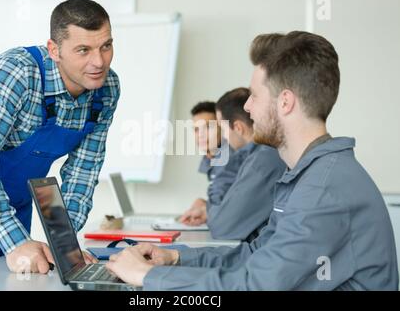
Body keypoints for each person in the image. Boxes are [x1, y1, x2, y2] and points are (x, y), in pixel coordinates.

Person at [105, 31, 399, 290]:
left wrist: (147, 277)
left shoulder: (323, 190)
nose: (246, 107)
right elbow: (257, 255)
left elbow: (254, 285)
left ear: (285, 102)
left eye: (255, 96)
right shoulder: (308, 175)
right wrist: (175, 257)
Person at [0, 0, 117, 273]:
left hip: (16, 201)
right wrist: (16, 242)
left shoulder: (107, 88)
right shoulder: (15, 73)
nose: (98, 62)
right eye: (83, 50)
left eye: (106, 46)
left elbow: (83, 173)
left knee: (18, 279)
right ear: (54, 50)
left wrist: (64, 248)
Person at [206, 88, 285, 240]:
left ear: (238, 128)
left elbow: (221, 227)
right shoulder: (256, 156)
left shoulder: (263, 161)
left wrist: (209, 208)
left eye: (223, 129)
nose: (223, 137)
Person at [179, 101, 233, 225]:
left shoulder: (229, 157)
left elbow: (225, 208)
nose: (201, 135)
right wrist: (204, 204)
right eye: (197, 129)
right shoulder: (212, 157)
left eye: (208, 127)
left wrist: (205, 207)